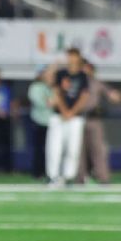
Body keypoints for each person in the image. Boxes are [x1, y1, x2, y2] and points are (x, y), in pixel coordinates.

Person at [46, 49, 89, 187]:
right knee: (54, 147)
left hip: (75, 118)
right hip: (59, 116)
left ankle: (68, 176)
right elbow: (54, 89)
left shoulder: (83, 76)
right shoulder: (60, 74)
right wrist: (64, 111)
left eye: (73, 56)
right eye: (69, 56)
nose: (71, 59)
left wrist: (71, 112)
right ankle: (53, 176)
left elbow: (84, 97)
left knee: (73, 148)